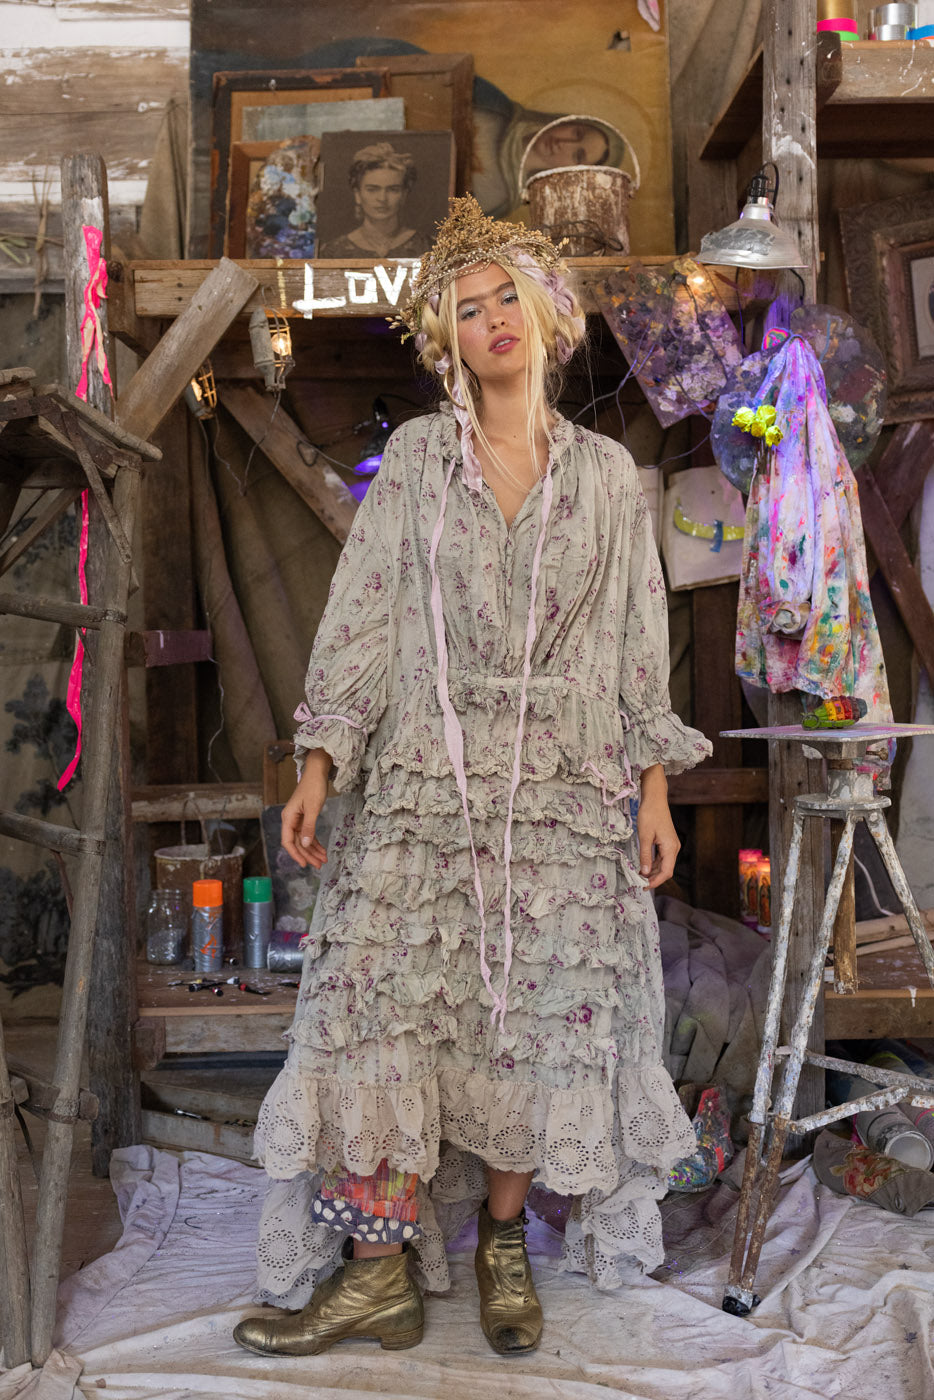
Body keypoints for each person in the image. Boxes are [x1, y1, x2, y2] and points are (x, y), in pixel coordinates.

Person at [233, 195, 711, 1360]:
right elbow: (364, 614)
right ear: (446, 341)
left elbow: (636, 638)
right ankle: (375, 1272)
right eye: (469, 308)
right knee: (375, 1009)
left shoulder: (604, 476)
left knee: (536, 1025)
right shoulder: (413, 462)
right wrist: (319, 760)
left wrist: (650, 789)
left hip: (562, 793)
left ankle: (505, 1247)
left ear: (551, 316)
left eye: (510, 298)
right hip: (421, 794)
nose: (494, 320)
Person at [318, 141, 429, 258]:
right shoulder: (334, 251)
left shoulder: (428, 246)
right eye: (372, 189)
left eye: (393, 189)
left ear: (404, 194)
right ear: (357, 194)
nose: (382, 199)